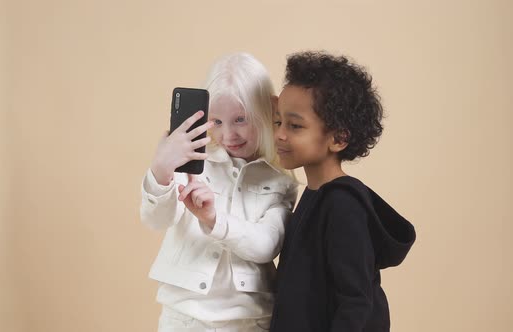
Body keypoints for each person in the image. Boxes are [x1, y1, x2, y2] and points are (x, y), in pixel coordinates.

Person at [140, 52, 298, 331]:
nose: (228, 135)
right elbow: (157, 219)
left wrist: (214, 219)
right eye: (217, 121)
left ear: (266, 112)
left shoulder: (279, 182)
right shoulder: (191, 163)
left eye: (240, 119)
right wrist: (161, 171)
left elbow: (266, 245)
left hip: (249, 321)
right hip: (184, 317)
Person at [270, 51, 416, 332]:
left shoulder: (342, 205)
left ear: (338, 138)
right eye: (278, 122)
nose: (280, 134)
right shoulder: (314, 195)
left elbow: (355, 301)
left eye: (295, 125)